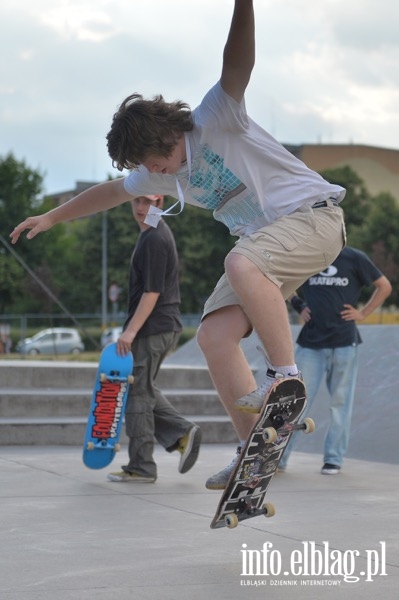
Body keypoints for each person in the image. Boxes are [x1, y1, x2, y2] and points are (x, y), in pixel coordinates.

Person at [10, 0, 346, 490]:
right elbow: (107, 192)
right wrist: (54, 215)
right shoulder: (160, 174)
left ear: (170, 131)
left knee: (240, 262)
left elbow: (238, 61)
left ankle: (283, 377)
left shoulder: (217, 116)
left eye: (157, 158)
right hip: (270, 246)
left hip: (314, 220)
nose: (158, 173)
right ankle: (254, 455)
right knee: (213, 335)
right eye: (147, 167)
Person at [108, 195, 201, 482]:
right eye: (136, 201)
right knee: (143, 389)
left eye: (147, 202)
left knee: (138, 395)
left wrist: (131, 331)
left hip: (154, 327)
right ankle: (182, 432)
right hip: (159, 326)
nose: (139, 207)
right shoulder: (150, 234)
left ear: (159, 200)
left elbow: (153, 292)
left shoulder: (155, 238)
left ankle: (142, 467)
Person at [280, 246, 392, 475]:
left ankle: (333, 459)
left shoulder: (355, 258)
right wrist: (299, 305)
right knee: (296, 403)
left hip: (343, 343)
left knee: (340, 404)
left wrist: (363, 313)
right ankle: (279, 460)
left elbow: (384, 286)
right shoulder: (309, 254)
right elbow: (283, 281)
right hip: (311, 344)